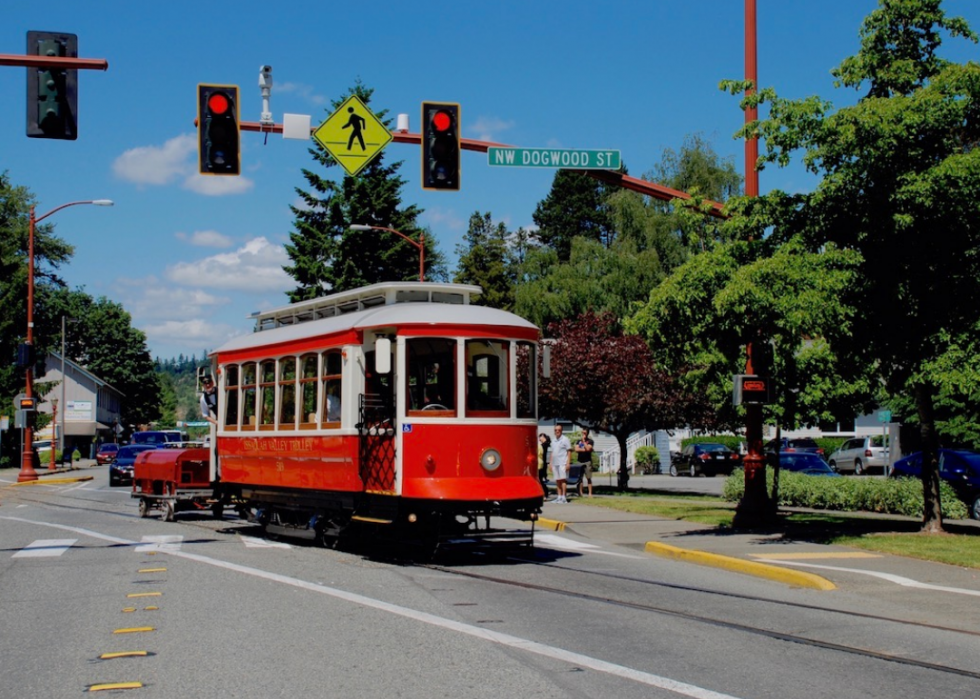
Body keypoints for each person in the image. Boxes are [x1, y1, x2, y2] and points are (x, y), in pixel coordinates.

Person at [550, 424, 572, 504]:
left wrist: (568, 463)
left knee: (563, 480)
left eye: (559, 430)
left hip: (563, 462)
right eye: (555, 430)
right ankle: (559, 497)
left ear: (561, 431)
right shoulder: (553, 440)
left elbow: (569, 451)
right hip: (555, 463)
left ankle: (564, 497)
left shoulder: (565, 439)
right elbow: (552, 452)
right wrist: (550, 463)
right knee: (557, 480)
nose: (557, 431)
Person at [575, 427, 595, 497]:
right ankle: (580, 493)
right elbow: (576, 449)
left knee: (588, 478)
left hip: (587, 461)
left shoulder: (590, 441)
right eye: (583, 432)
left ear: (587, 433)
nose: (583, 434)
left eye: (585, 433)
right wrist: (585, 449)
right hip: (579, 461)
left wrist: (584, 442)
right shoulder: (578, 441)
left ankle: (590, 493)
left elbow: (589, 448)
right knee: (580, 478)